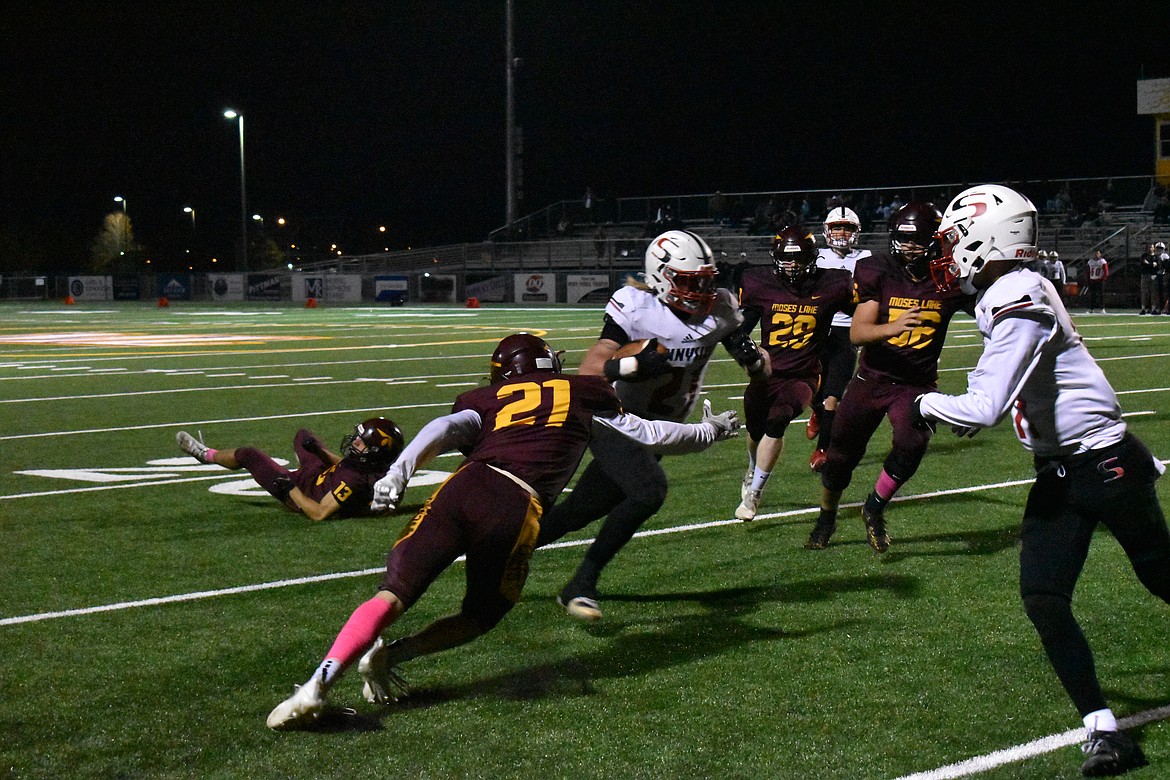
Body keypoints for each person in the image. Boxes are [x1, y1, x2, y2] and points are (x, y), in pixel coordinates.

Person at [265, 333, 741, 730]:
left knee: (392, 594)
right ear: (547, 365)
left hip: (464, 487)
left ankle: (315, 687)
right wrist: (709, 432)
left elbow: (446, 426)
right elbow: (652, 435)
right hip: (516, 503)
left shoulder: (487, 397)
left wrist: (399, 471)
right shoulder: (581, 391)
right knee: (480, 615)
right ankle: (394, 656)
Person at [913, 183, 1165, 777]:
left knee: (1162, 576)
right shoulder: (1011, 288)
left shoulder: (1018, 292)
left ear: (985, 237)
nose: (949, 252)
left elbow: (983, 409)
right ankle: (1104, 733)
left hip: (1105, 463)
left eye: (954, 240)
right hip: (1058, 472)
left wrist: (919, 402)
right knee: (1045, 599)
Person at [535, 229, 765, 622]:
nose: (702, 290)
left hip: (657, 430)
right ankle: (582, 583)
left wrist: (755, 359)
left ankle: (503, 548)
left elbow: (762, 371)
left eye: (707, 280)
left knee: (581, 509)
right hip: (614, 420)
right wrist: (628, 365)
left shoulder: (722, 309)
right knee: (648, 491)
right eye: (691, 281)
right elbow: (590, 370)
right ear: (662, 277)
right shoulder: (637, 306)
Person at [806, 202, 975, 552]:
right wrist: (893, 326)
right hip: (873, 379)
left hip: (916, 384)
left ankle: (875, 506)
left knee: (912, 443)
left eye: (917, 240)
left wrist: (984, 390)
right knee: (839, 458)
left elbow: (995, 324)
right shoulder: (877, 270)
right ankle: (826, 516)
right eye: (903, 238)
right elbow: (857, 332)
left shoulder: (951, 280)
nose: (909, 247)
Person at [733, 226, 855, 520]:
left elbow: (863, 311)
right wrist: (743, 347)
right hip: (767, 374)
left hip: (804, 374)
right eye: (786, 259)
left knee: (778, 420)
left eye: (798, 259)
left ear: (812, 258)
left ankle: (755, 494)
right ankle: (753, 468)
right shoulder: (759, 283)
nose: (792, 265)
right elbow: (740, 329)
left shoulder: (832, 284)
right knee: (755, 429)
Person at [175, 418, 404, 521]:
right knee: (304, 436)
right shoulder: (367, 465)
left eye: (362, 441)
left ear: (377, 451)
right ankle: (306, 460)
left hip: (304, 494)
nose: (355, 442)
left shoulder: (355, 480)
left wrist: (291, 488)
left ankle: (206, 454)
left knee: (249, 454)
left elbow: (319, 513)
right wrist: (319, 452)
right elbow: (343, 465)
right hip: (317, 477)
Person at [807, 206, 872, 472]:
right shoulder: (816, 257)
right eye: (837, 227)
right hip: (818, 331)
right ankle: (817, 411)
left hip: (847, 331)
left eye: (847, 228)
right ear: (827, 230)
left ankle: (823, 450)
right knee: (813, 390)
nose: (842, 233)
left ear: (856, 232)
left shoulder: (866, 258)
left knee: (833, 395)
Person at [1139, 242, 1160, 314]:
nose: (1150, 249)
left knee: (1153, 293)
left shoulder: (1156, 257)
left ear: (1154, 248)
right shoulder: (1144, 256)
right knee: (1144, 292)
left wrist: (1151, 265)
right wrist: (1152, 265)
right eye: (1149, 247)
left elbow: (1158, 267)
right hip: (1145, 275)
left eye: (1151, 247)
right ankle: (1143, 308)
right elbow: (1144, 264)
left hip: (1153, 276)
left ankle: (1153, 308)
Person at [1086, 249, 1109, 313]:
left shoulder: (1102, 261)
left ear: (1100, 254)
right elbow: (1088, 271)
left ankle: (1102, 308)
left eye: (1098, 253)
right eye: (1095, 253)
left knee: (1101, 295)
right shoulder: (1090, 262)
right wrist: (1088, 279)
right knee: (1092, 295)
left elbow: (1106, 271)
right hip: (1092, 280)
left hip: (1100, 280)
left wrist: (1104, 278)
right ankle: (1091, 308)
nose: (1096, 255)